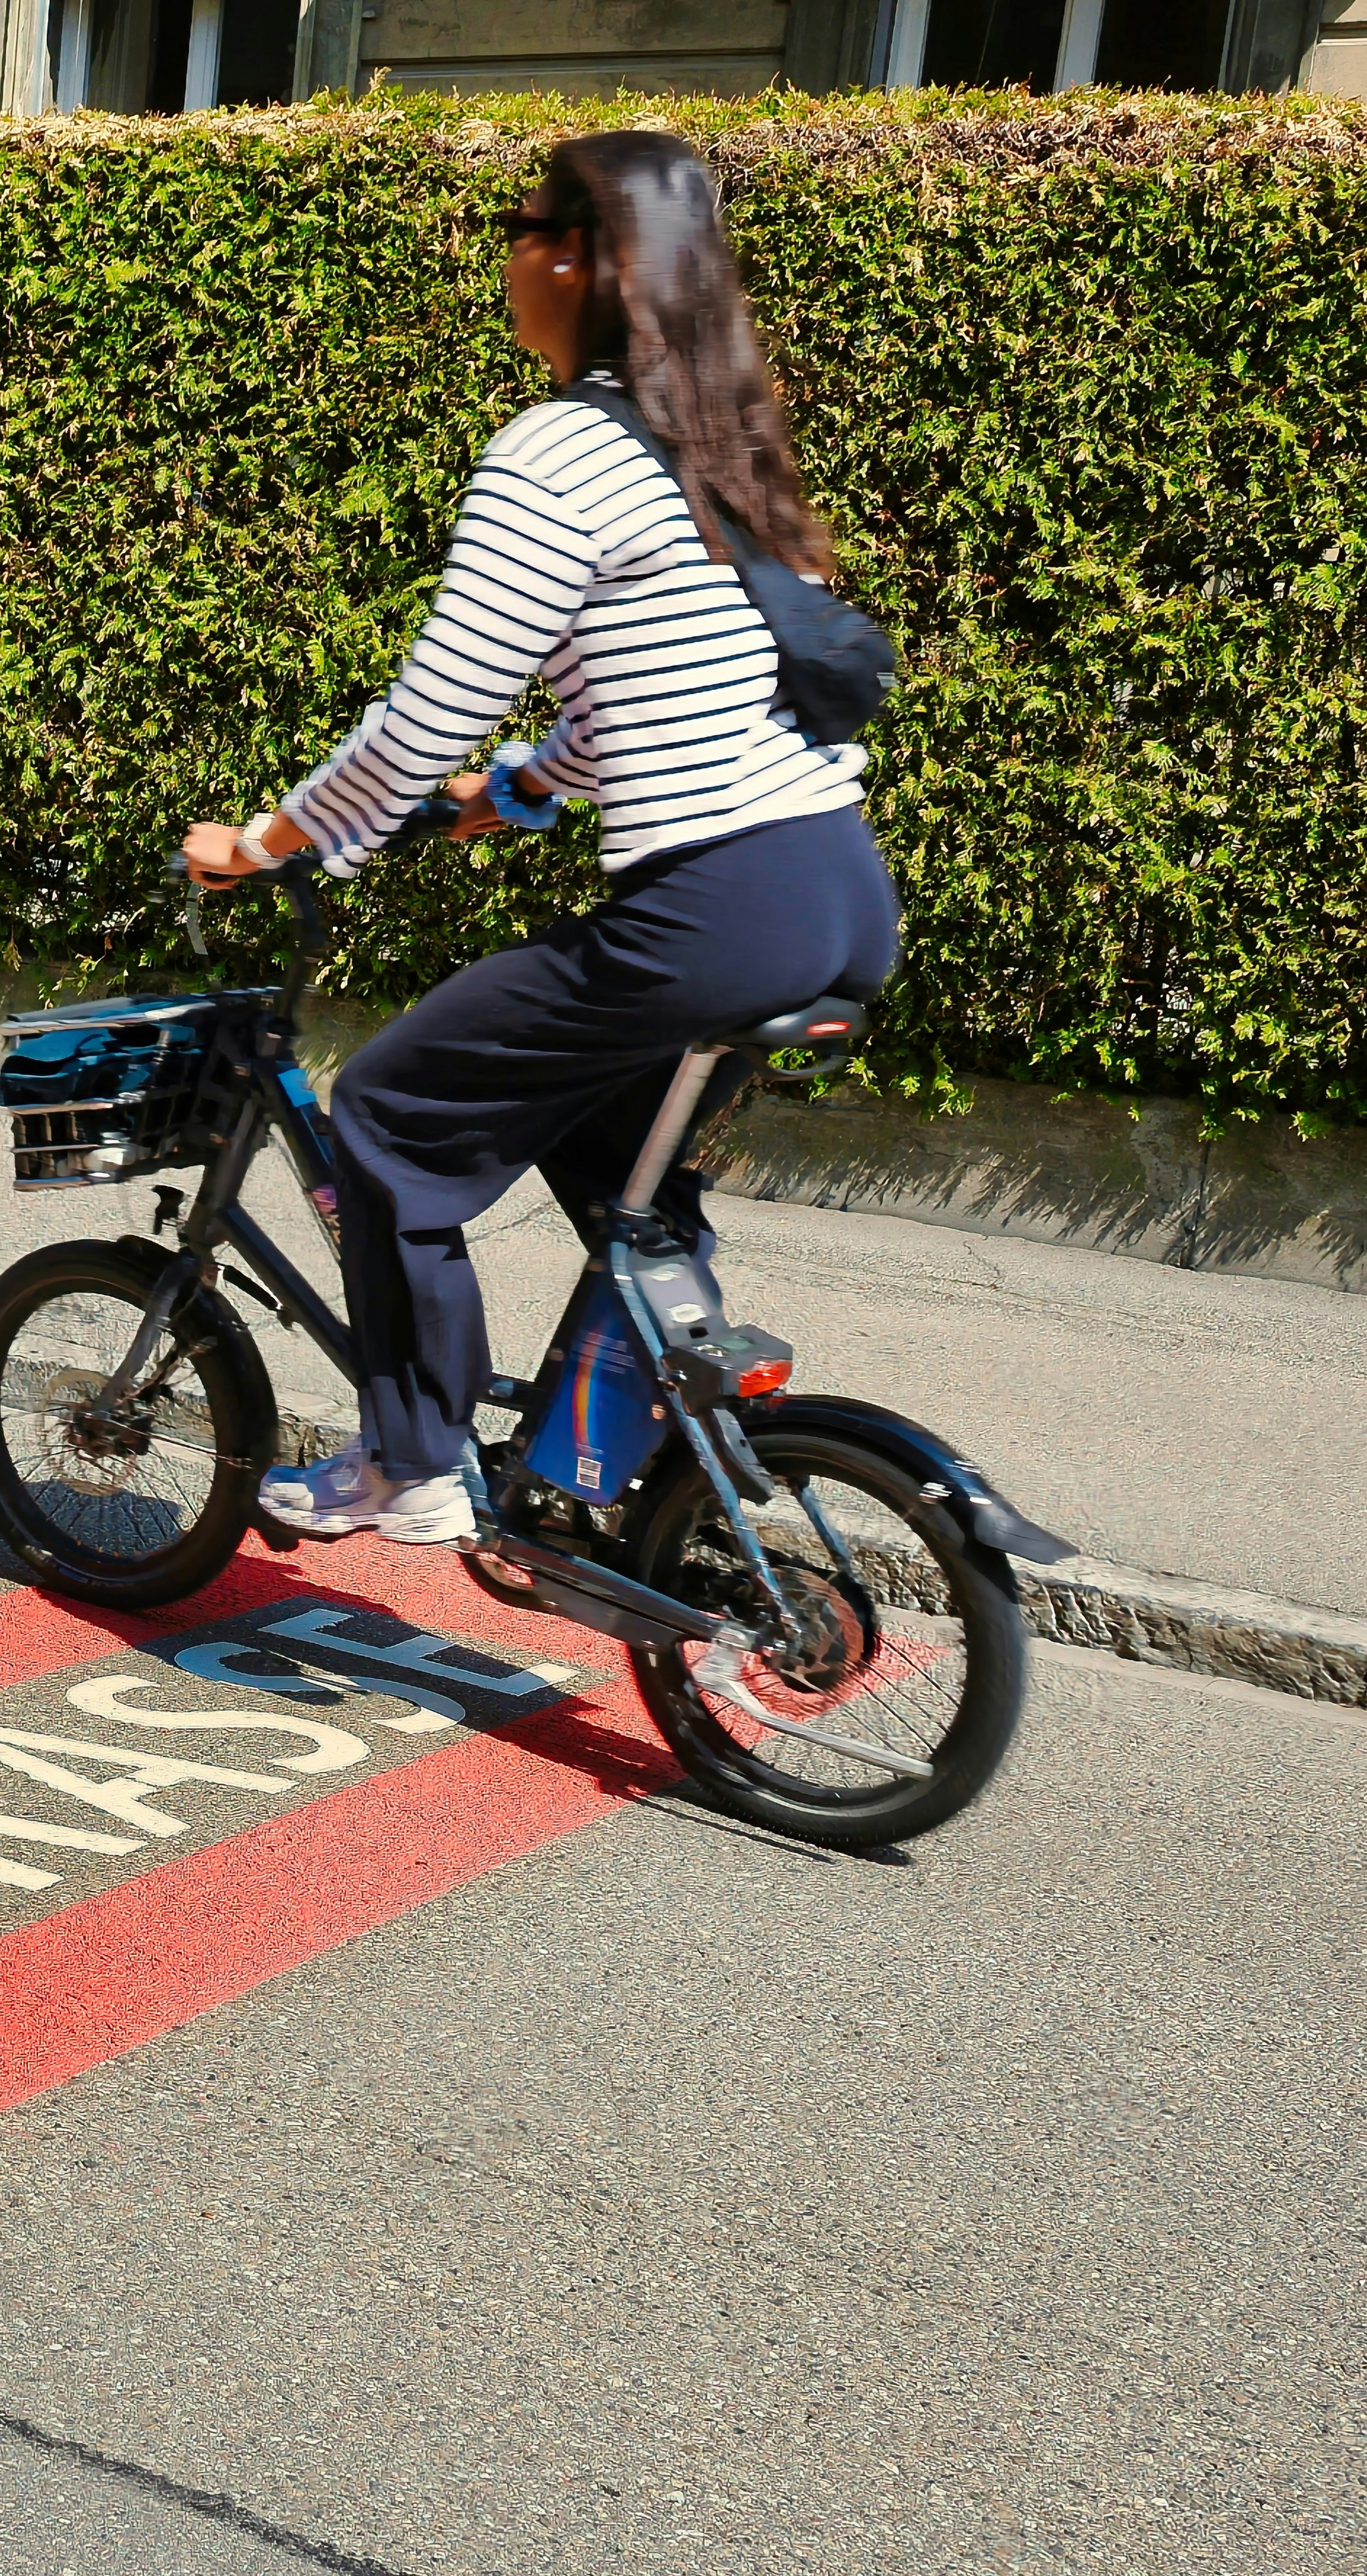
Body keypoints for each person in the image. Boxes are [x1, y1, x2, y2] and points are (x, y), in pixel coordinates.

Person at [182, 129, 898, 1547]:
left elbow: (430, 702)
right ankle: (599, 1467)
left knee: (385, 1115)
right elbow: (660, 692)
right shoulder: (721, 449)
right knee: (615, 1164)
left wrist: (275, 838)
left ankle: (412, 1460)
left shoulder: (559, 448)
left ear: (578, 259)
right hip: (833, 887)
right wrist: (510, 795)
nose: (507, 258)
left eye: (520, 230)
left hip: (710, 903)